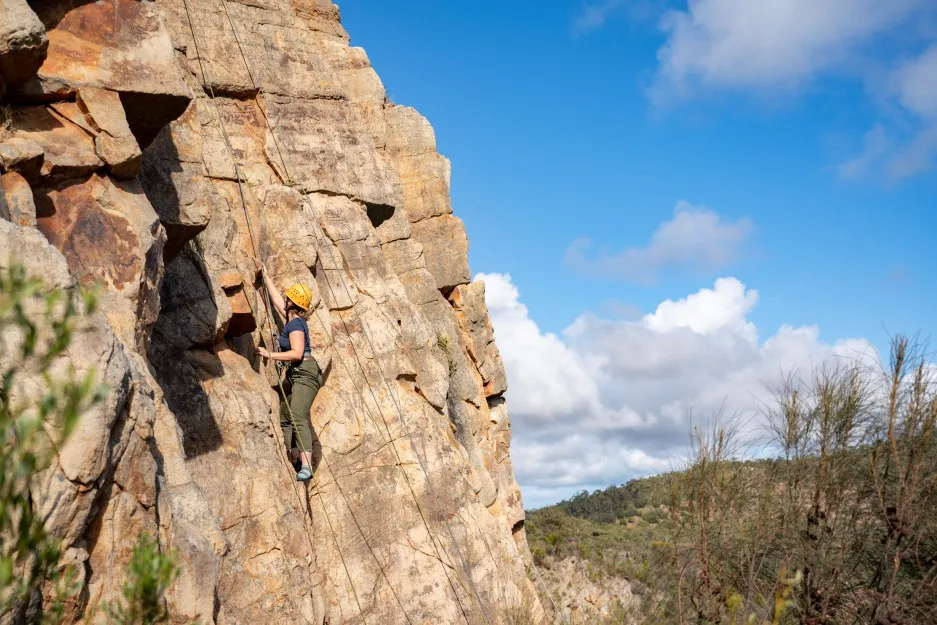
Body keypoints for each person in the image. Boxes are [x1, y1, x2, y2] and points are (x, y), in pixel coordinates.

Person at [257, 265, 322, 482]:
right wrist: (266, 277)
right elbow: (278, 302)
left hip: (305, 373)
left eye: (288, 298)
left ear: (293, 303)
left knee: (297, 415)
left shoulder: (295, 325)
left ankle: (307, 465)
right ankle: (295, 457)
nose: (284, 300)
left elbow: (296, 353)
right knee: (286, 415)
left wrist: (270, 354)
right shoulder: (292, 319)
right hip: (297, 374)